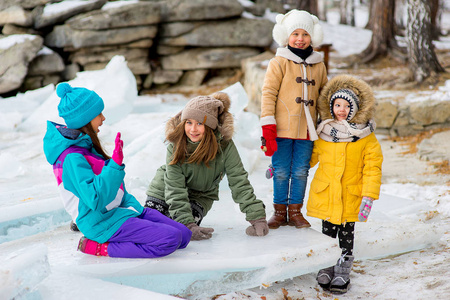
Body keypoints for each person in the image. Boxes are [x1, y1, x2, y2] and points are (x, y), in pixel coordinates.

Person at [43, 83, 192, 258]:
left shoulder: (88, 148)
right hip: (102, 222)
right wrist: (114, 165)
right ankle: (96, 247)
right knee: (170, 239)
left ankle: (131, 229)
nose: (103, 118)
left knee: (184, 236)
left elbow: (117, 190)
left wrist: (136, 210)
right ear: (85, 119)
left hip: (121, 211)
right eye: (99, 114)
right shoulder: (72, 158)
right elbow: (96, 200)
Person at [145, 92, 269, 240]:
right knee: (150, 225)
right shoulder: (176, 145)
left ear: (210, 126)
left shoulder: (224, 146)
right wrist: (187, 224)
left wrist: (257, 217)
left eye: (199, 123)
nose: (193, 129)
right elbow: (174, 187)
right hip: (164, 189)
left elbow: (239, 181)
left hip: (201, 195)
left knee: (176, 229)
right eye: (189, 122)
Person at [307, 74, 383, 294]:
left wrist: (368, 196)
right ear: (331, 107)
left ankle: (343, 269)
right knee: (327, 234)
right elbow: (308, 159)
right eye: (337, 104)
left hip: (351, 195)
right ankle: (327, 264)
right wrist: (283, 166)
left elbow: (373, 167)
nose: (341, 109)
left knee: (346, 235)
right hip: (327, 193)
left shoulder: (365, 137)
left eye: (346, 105)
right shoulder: (323, 134)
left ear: (355, 109)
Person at [260, 9, 328, 229]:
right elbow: (268, 93)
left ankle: (295, 211)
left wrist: (326, 123)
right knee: (280, 170)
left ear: (313, 37)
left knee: (300, 170)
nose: (300, 39)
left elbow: (324, 96)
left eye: (305, 34)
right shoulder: (278, 62)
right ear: (286, 36)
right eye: (295, 34)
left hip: (307, 130)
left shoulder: (319, 64)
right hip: (280, 129)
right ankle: (279, 211)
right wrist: (268, 126)